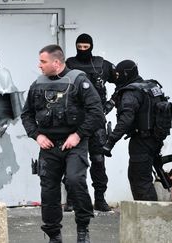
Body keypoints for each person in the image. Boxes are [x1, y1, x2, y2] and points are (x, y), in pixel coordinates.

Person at [21, 44, 104, 243]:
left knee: (75, 181)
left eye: (43, 61)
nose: (39, 66)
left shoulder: (78, 81)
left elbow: (96, 113)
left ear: (56, 63)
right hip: (49, 146)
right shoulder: (38, 84)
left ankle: (83, 228)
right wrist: (37, 136)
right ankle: (53, 235)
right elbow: (26, 115)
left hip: (74, 143)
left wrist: (78, 135)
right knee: (48, 190)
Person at [103, 60, 171, 201]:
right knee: (139, 176)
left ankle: (148, 218)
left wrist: (110, 141)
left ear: (126, 74)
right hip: (155, 139)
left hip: (142, 141)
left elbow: (126, 120)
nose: (116, 77)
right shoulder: (151, 86)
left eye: (118, 74)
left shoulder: (131, 92)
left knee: (140, 179)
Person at [64, 33, 117, 212]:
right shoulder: (69, 65)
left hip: (96, 121)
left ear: (91, 47)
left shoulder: (102, 65)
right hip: (74, 122)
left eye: (86, 47)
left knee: (98, 160)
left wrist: (111, 104)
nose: (82, 50)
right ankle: (71, 199)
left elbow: (125, 82)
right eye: (79, 47)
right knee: (73, 160)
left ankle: (100, 199)